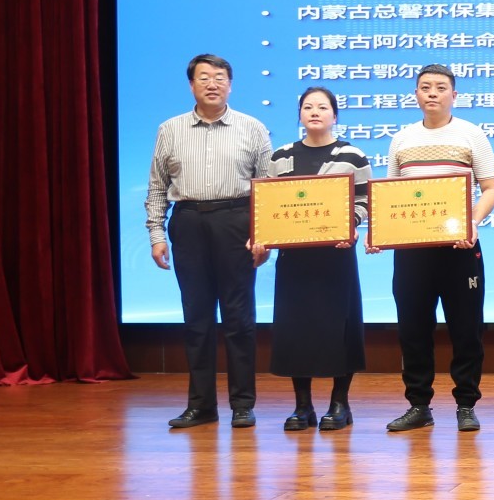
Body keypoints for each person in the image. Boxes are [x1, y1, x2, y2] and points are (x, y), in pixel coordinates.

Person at [145, 53, 272, 429]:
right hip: (188, 223)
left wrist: (264, 236)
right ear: (191, 85)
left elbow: (267, 189)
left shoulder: (252, 128)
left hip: (236, 222)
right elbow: (157, 186)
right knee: (196, 319)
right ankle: (200, 405)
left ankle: (242, 404)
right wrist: (156, 234)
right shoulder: (170, 129)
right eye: (203, 77)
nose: (212, 84)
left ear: (230, 85)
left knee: (239, 318)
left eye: (219, 77)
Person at [375, 65, 494, 434]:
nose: (432, 93)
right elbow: (392, 196)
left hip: (460, 247)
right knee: (413, 329)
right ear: (416, 94)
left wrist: (472, 222)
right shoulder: (402, 139)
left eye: (441, 87)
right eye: (425, 87)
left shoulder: (471, 134)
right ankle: (418, 405)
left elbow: (490, 188)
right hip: (413, 251)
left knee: (466, 328)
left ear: (453, 95)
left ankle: (466, 404)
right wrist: (382, 232)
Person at [250, 86, 369, 431]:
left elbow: (365, 201)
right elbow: (268, 204)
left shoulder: (352, 155)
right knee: (295, 328)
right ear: (300, 114)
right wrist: (262, 236)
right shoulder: (281, 156)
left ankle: (339, 404)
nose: (315, 112)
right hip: (295, 259)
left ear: (335, 115)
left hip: (336, 257)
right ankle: (303, 406)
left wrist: (351, 223)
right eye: (308, 107)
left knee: (339, 328)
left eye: (322, 107)